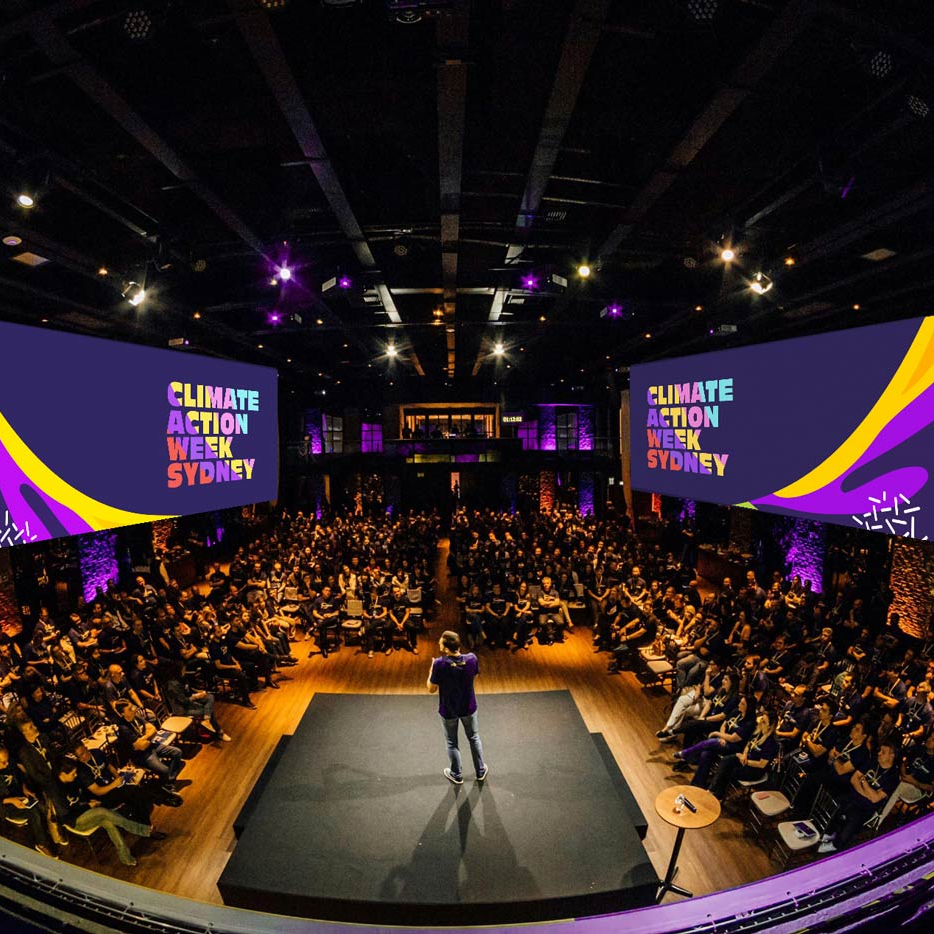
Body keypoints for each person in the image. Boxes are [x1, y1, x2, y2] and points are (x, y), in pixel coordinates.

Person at [427, 630, 487, 785]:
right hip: (468, 707)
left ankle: (456, 774)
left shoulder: (439, 664)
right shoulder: (472, 659)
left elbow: (431, 689)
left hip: (449, 710)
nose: (438, 643)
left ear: (446, 648)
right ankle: (480, 771)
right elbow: (474, 677)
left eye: (440, 642)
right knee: (474, 737)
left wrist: (430, 671)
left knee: (452, 743)